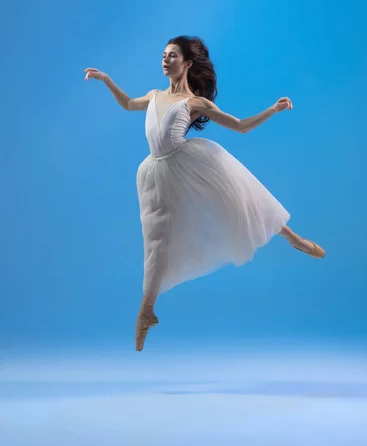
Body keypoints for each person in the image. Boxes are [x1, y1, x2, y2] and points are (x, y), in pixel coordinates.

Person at [84, 36, 325, 351]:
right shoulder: (155, 95)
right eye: (163, 55)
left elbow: (239, 126)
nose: (165, 60)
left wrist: (272, 110)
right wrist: (106, 81)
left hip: (188, 164)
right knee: (156, 242)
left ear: (186, 64)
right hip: (154, 174)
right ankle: (146, 311)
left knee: (241, 197)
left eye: (172, 56)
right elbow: (129, 104)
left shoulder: (195, 104)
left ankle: (295, 239)